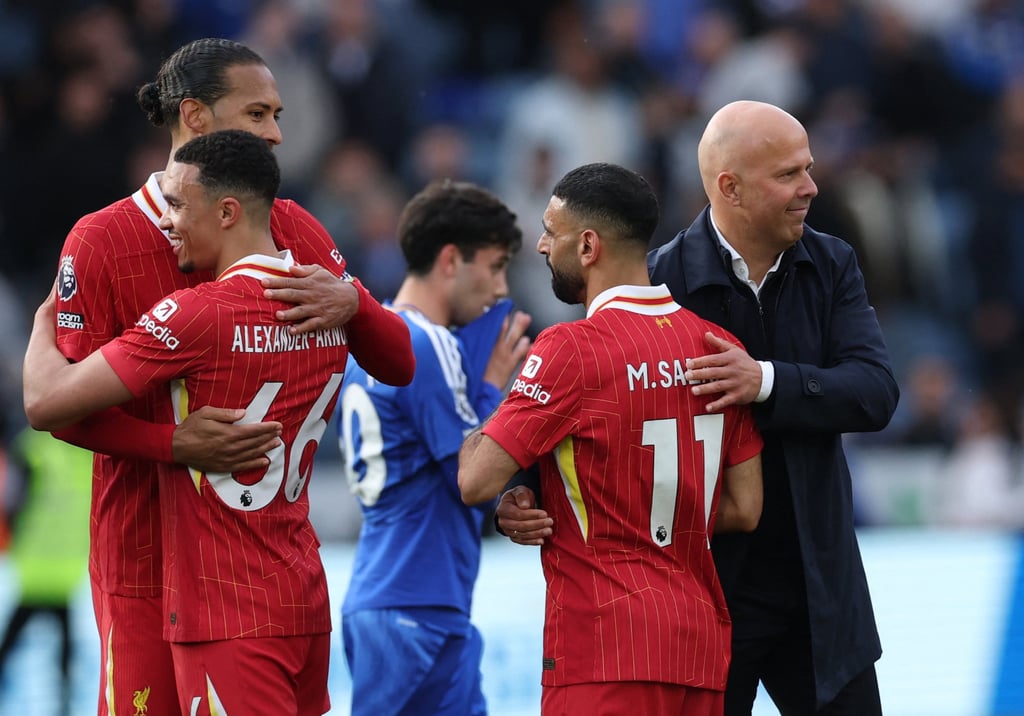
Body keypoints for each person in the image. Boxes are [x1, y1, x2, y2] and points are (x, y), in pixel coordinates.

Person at [48, 38, 414, 716]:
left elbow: (396, 359)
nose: (276, 132)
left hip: (254, 575)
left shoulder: (291, 230)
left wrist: (358, 301)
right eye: (257, 114)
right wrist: (172, 445)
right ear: (194, 118)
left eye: (276, 113)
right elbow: (61, 408)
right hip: (140, 563)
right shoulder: (101, 241)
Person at [497, 101, 900, 715]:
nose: (810, 188)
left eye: (808, 169)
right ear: (729, 187)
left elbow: (875, 392)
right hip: (704, 594)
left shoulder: (832, 263)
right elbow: (574, 392)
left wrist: (763, 381)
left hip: (821, 590)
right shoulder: (658, 285)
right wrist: (521, 489)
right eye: (789, 174)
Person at [25, 129, 352, 715]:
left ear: (228, 209)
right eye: (259, 113)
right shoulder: (326, 306)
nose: (168, 220)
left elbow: (46, 403)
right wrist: (354, 298)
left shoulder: (200, 312)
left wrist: (40, 326)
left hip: (222, 599)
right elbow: (395, 358)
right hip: (299, 585)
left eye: (178, 205)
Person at [458, 162, 764, 715]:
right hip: (698, 647)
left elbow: (475, 479)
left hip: (604, 647)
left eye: (552, 231)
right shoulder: (718, 345)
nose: (542, 246)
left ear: (589, 244)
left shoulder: (570, 349)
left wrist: (493, 393)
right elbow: (744, 507)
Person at [336, 179, 532, 716]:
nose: (499, 288)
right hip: (416, 602)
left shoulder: (369, 346)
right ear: (451, 259)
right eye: (493, 267)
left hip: (392, 595)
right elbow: (472, 478)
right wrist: (495, 387)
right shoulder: (429, 341)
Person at [0, 427, 91, 715]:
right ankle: (64, 703)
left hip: (36, 566)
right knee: (64, 645)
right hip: (66, 568)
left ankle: (63, 702)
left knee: (13, 639)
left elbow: (11, 502)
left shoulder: (33, 450)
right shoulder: (88, 453)